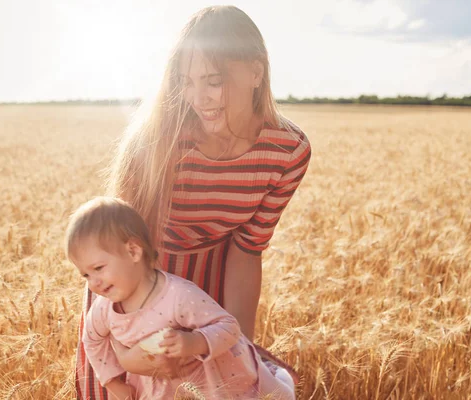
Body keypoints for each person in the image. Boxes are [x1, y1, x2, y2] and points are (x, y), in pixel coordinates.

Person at [75, 5, 311, 399]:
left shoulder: (287, 151)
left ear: (256, 72)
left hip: (209, 292)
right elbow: (123, 255)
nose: (198, 98)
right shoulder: (157, 144)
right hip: (133, 287)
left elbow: (246, 251)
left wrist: (235, 347)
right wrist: (130, 353)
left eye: (213, 81)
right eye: (186, 82)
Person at [66, 197, 296, 399]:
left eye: (98, 268)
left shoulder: (178, 296)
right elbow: (92, 340)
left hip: (212, 381)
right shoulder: (104, 308)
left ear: (133, 252)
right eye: (85, 274)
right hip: (159, 387)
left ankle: (277, 378)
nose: (93, 282)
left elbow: (229, 328)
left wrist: (193, 342)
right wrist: (113, 382)